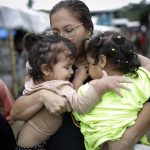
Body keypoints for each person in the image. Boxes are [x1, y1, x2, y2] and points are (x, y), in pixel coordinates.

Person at [11, 1, 150, 150]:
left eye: (69, 30)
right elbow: (16, 113)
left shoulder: (109, 57)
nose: (62, 37)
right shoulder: (47, 62)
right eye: (55, 32)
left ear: (88, 28)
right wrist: (42, 96)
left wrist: (129, 137)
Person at [16, 33, 130, 150]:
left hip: (23, 142)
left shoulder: (33, 76)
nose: (71, 72)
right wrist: (100, 86)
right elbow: (79, 104)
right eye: (67, 67)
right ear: (46, 69)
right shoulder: (59, 86)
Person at [73, 31, 150, 150]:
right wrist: (127, 53)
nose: (87, 67)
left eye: (89, 62)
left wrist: (78, 80)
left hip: (103, 143)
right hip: (137, 145)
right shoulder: (139, 79)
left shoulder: (92, 87)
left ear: (102, 61)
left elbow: (76, 104)